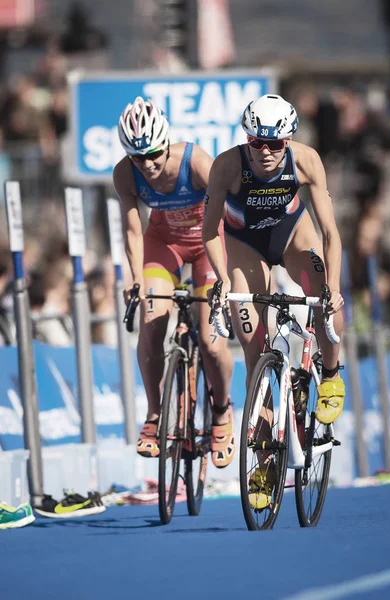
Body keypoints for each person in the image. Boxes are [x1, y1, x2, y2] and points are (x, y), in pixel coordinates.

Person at [202, 93, 345, 507]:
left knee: (325, 298)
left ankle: (332, 375)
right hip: (243, 243)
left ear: (288, 141)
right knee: (254, 354)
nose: (265, 152)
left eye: (275, 144)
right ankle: (264, 462)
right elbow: (209, 231)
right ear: (246, 138)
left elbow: (331, 234)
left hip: (292, 236)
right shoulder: (227, 166)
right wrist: (223, 279)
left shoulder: (306, 160)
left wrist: (332, 287)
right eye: (256, 143)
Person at [113, 97, 234, 468]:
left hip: (207, 247)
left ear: (166, 142)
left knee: (212, 345)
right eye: (138, 158)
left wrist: (226, 277)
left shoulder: (197, 163)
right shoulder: (125, 173)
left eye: (153, 154)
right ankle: (154, 415)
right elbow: (134, 230)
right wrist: (135, 277)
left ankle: (221, 410)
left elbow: (227, 218)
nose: (147, 165)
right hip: (162, 244)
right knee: (152, 321)